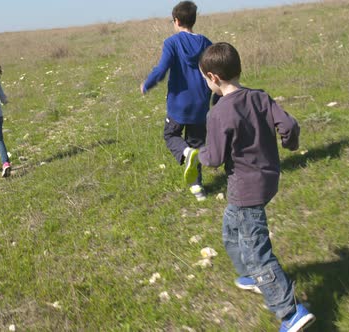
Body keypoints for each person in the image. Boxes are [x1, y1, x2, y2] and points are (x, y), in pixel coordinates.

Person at [194, 42, 315, 332]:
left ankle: (290, 313)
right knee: (230, 229)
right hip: (267, 179)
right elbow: (289, 125)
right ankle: (249, 276)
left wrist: (195, 154)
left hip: (245, 189)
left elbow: (213, 159)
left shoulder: (218, 113)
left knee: (257, 252)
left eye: (204, 79)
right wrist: (290, 143)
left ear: (212, 78)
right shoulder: (260, 97)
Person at [140, 1, 213, 201]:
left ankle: (184, 152)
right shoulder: (206, 43)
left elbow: (162, 69)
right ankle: (198, 189)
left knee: (171, 134)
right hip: (200, 103)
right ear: (193, 20)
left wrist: (147, 84)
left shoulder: (171, 43)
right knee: (196, 144)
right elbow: (214, 70)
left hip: (179, 104)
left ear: (177, 21)